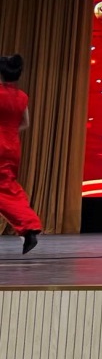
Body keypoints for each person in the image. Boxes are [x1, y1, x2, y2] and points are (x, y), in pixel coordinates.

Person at [0, 55, 42, 255]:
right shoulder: (21, 96)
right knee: (7, 186)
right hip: (11, 145)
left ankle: (28, 226)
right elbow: (25, 123)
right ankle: (29, 226)